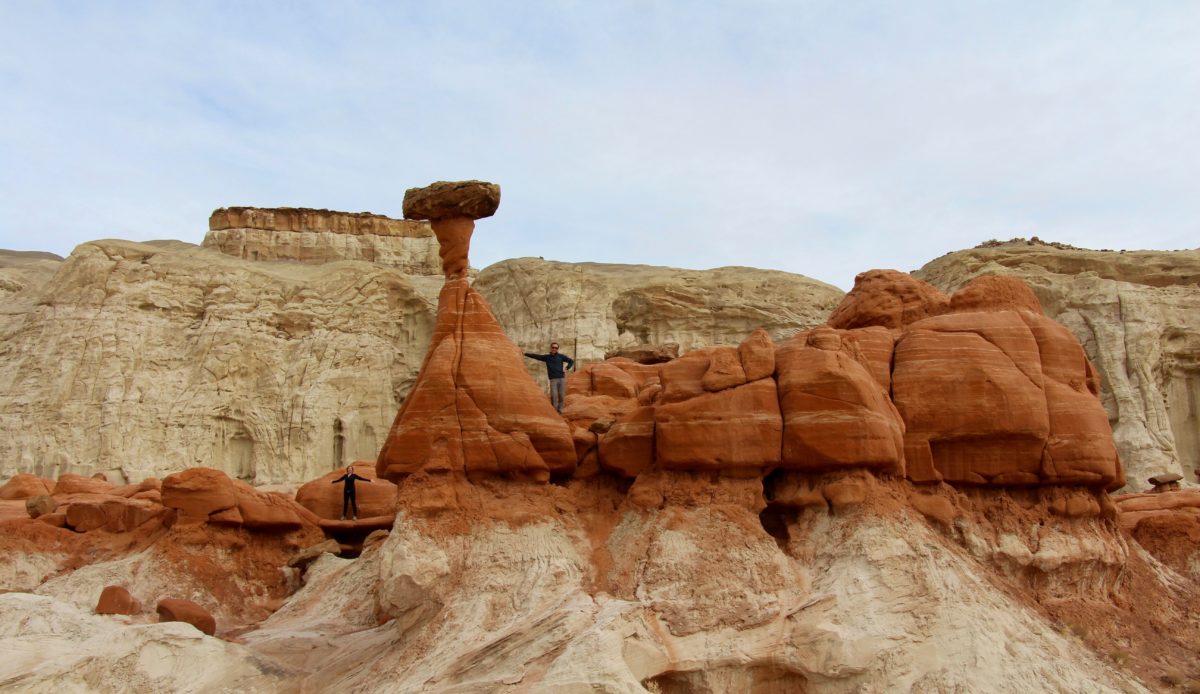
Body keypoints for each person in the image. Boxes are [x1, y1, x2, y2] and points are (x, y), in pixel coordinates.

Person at [523, 342, 575, 413]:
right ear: (551, 348)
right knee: (554, 396)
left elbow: (571, 361)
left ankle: (560, 411)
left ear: (557, 349)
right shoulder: (547, 357)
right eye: (553, 347)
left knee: (561, 396)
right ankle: (554, 412)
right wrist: (525, 354)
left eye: (556, 348)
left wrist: (567, 368)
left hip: (561, 378)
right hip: (553, 379)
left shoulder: (561, 356)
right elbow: (536, 356)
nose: (554, 349)